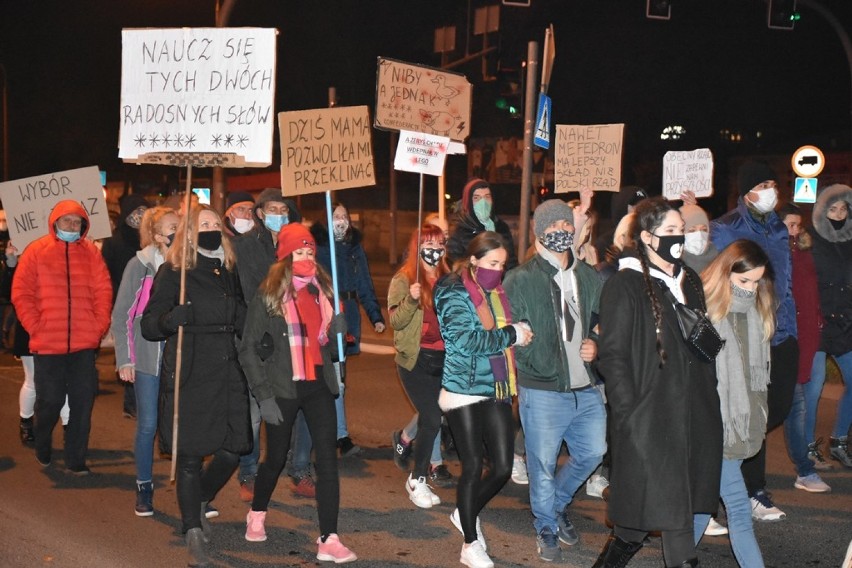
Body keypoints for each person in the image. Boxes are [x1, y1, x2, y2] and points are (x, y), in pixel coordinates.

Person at [594, 197, 722, 568]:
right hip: (649, 417)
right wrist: (628, 412)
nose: (678, 238)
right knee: (674, 513)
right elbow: (612, 355)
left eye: (680, 230)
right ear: (647, 238)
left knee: (643, 518)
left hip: (693, 413)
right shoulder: (625, 284)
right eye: (670, 231)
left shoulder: (690, 280)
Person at [239, 223, 357, 564]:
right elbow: (248, 350)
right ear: (284, 257)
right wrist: (263, 397)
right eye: (298, 252)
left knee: (327, 460)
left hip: (318, 384)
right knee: (275, 458)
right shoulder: (269, 294)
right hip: (282, 387)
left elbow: (321, 340)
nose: (305, 258)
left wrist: (335, 333)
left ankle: (329, 538)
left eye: (309, 252)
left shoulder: (323, 291)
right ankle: (257, 511)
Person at [140, 205, 250, 566]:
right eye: (204, 224)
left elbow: (242, 313)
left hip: (227, 368)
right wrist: (172, 318)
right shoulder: (174, 272)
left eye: (216, 224)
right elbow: (149, 325)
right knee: (189, 455)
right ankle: (193, 531)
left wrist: (256, 336)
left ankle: (199, 497)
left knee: (235, 447)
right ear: (188, 232)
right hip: (190, 369)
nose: (212, 228)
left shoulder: (227, 270)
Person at [504, 199, 606, 562]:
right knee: (542, 464)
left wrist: (597, 342)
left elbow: (599, 322)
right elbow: (506, 331)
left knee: (593, 451)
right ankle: (545, 525)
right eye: (552, 227)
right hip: (543, 387)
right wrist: (525, 347)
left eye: (566, 225)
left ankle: (557, 505)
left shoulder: (589, 275)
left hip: (587, 386)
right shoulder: (519, 278)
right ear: (538, 233)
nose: (561, 231)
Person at [435, 231, 533, 568]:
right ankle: (469, 543)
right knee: (473, 466)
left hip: (496, 387)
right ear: (473, 260)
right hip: (463, 388)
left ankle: (464, 511)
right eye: (492, 263)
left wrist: (522, 330)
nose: (498, 271)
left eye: (503, 265)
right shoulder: (452, 290)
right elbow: (466, 340)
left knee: (503, 467)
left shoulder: (498, 292)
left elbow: (510, 326)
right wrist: (513, 334)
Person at [711, 161, 798, 521]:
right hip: (745, 330)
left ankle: (738, 480)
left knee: (774, 407)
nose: (770, 190)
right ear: (746, 191)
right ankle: (750, 490)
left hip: (781, 329)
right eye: (762, 184)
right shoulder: (725, 228)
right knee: (749, 408)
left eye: (772, 183)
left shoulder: (780, 228)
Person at [12, 200, 113, 475]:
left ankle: (75, 459)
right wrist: (37, 326)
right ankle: (42, 441)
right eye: (66, 220)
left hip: (83, 344)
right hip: (47, 344)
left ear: (83, 225)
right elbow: (21, 293)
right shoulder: (36, 251)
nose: (71, 226)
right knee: (51, 400)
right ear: (55, 222)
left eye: (76, 221)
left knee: (82, 402)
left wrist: (97, 327)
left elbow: (103, 292)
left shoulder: (91, 253)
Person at [694, 239, 777, 567]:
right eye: (744, 281)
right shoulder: (706, 314)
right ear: (725, 273)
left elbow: (756, 382)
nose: (750, 290)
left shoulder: (758, 314)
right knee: (740, 512)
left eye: (757, 282)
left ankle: (678, 557)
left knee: (702, 509)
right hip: (716, 429)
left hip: (742, 428)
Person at [232, 188, 314, 500]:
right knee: (256, 410)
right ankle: (249, 472)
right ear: (261, 213)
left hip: (297, 339)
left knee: (304, 406)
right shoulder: (244, 247)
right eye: (272, 208)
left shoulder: (299, 244)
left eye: (283, 207)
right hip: (262, 341)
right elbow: (251, 292)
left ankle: (301, 467)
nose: (278, 212)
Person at [111, 206, 180, 516]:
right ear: (155, 234)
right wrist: (125, 358)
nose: (179, 232)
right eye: (171, 227)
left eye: (181, 225)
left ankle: (193, 492)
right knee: (149, 423)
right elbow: (123, 314)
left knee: (185, 423)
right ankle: (144, 485)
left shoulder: (188, 266)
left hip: (181, 356)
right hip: (149, 355)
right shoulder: (138, 265)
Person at [311, 202, 386, 457]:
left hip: (349, 316)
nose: (341, 220)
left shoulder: (354, 248)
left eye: (344, 216)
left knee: (339, 378)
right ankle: (338, 435)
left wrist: (375, 314)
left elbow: (364, 282)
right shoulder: (317, 247)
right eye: (335, 216)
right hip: (326, 316)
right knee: (335, 381)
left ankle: (335, 433)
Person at [388, 223, 451, 508]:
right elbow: (396, 322)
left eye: (439, 244)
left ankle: (404, 439)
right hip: (415, 360)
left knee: (440, 415)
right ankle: (417, 478)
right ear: (417, 247)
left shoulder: (449, 278)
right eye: (428, 244)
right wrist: (412, 300)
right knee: (431, 417)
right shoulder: (404, 279)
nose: (434, 250)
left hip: (445, 360)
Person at [779, 203, 833, 492]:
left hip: (812, 336)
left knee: (806, 400)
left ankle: (806, 461)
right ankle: (804, 468)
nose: (795, 230)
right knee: (792, 405)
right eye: (789, 224)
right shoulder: (775, 253)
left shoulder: (806, 252)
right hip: (787, 338)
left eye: (798, 225)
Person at [3, 242, 70, 444]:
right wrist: (11, 263)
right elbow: (9, 292)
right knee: (32, 379)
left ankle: (69, 426)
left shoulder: (61, 253)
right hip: (31, 327)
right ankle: (26, 422)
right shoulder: (24, 261)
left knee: (64, 380)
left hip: (59, 326)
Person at [809, 184, 852, 469]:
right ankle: (809, 448)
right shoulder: (808, 239)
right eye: (832, 209)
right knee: (812, 390)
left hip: (846, 324)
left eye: (844, 209)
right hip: (816, 324)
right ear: (822, 211)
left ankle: (839, 440)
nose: (838, 215)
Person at [102, 193, 150, 419]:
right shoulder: (114, 243)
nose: (139, 218)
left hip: (147, 305)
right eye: (135, 213)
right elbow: (106, 274)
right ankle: (131, 403)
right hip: (125, 303)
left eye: (143, 212)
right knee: (130, 354)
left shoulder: (151, 240)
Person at [447, 178, 518, 269]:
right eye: (477, 198)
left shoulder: (501, 228)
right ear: (468, 201)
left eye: (487, 196)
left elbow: (511, 262)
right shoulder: (459, 229)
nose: (483, 202)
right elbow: (454, 263)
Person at [680, 202, 719, 274]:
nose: (699, 235)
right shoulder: (672, 265)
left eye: (704, 230)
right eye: (692, 230)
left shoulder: (718, 261)